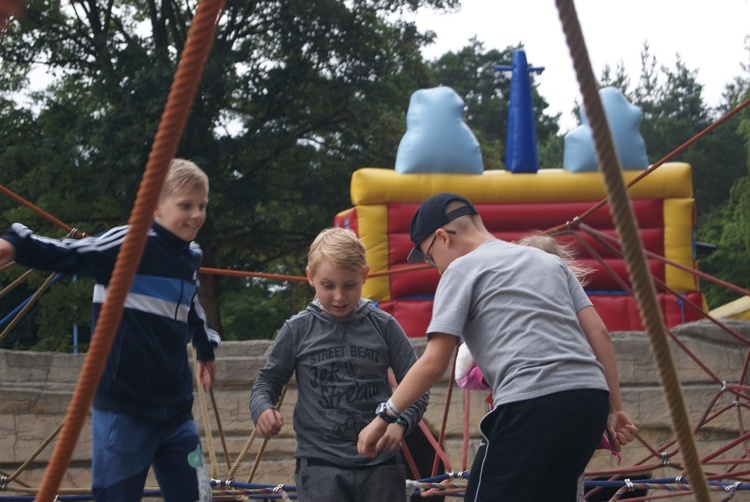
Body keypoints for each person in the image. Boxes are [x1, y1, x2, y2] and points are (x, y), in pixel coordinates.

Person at [357, 193, 637, 501]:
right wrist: (615, 408)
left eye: (429, 257)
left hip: (531, 401)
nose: (435, 267)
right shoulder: (548, 261)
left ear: (442, 237)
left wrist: (386, 416)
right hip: (589, 402)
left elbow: (434, 362)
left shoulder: (461, 270)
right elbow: (598, 333)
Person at [0, 158, 220, 501]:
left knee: (197, 495)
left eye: (202, 206)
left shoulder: (190, 255)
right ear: (155, 207)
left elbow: (191, 307)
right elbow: (70, 252)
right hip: (126, 408)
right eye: (185, 205)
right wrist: (16, 245)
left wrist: (205, 350)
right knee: (116, 495)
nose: (196, 215)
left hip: (175, 410)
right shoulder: (129, 243)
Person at [250, 227, 429, 502]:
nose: (339, 297)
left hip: (380, 463)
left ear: (365, 276)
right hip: (320, 464)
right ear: (311, 277)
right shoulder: (298, 329)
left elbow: (419, 383)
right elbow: (267, 383)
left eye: (349, 285)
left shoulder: (383, 326)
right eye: (328, 285)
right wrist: (262, 408)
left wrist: (400, 423)